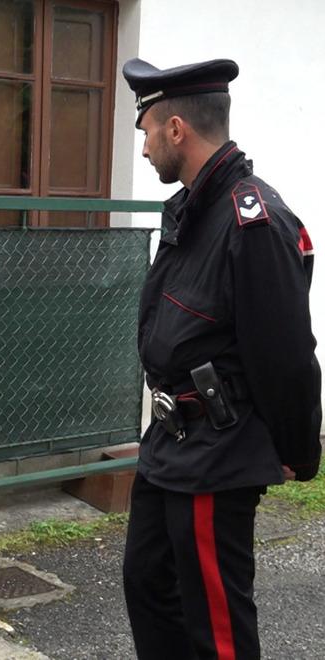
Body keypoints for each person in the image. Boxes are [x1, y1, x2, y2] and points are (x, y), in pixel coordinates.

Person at [121, 58, 322, 658]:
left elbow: (286, 354)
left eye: (146, 132)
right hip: (170, 445)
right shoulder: (194, 208)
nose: (144, 148)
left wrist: (297, 450)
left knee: (216, 626)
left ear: (176, 129)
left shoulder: (252, 221)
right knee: (149, 585)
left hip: (217, 452)